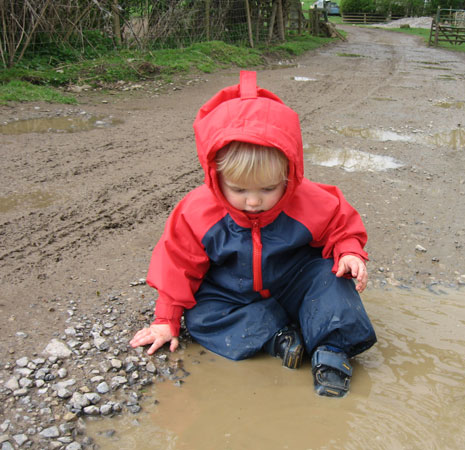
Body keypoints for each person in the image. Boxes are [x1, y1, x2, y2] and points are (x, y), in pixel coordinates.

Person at [130, 71, 377, 397]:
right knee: (201, 314)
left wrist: (348, 251)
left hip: (295, 284)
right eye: (239, 189)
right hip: (236, 292)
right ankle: (278, 337)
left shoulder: (307, 198)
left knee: (333, 277)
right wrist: (166, 319)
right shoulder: (197, 211)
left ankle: (332, 351)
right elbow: (177, 263)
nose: (253, 200)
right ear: (215, 175)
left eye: (268, 188)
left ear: (289, 174)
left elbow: (340, 222)